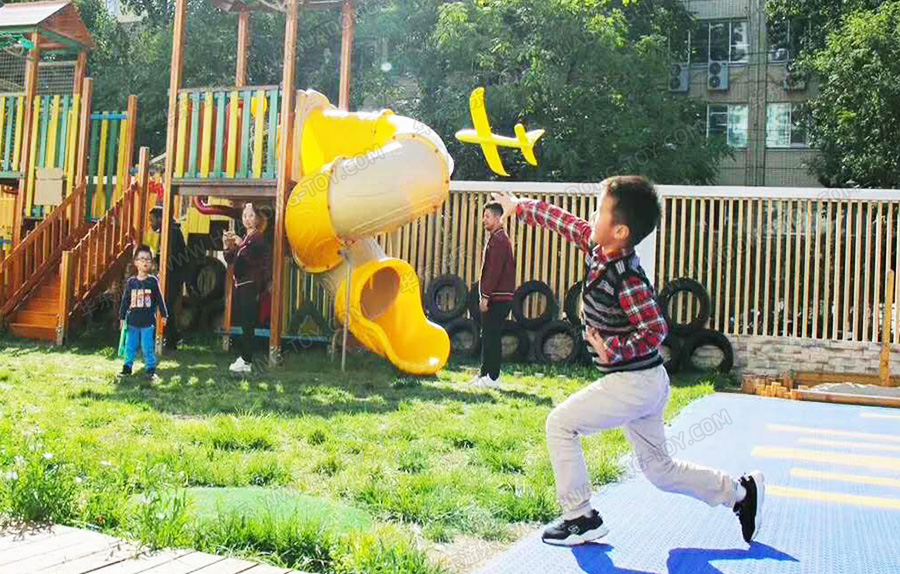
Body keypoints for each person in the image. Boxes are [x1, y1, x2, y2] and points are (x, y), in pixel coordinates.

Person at [491, 176, 764, 547]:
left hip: (632, 382)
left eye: (600, 211)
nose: (592, 216)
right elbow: (567, 223)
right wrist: (520, 207)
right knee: (660, 471)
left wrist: (615, 349)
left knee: (560, 425)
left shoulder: (627, 277)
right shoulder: (600, 247)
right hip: (646, 381)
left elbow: (656, 329)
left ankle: (580, 517)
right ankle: (741, 494)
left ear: (620, 231)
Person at [469, 202, 516, 389]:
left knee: (492, 337)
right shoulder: (496, 238)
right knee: (488, 335)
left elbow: (493, 271)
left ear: (498, 218)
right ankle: (484, 374)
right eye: (484, 216)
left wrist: (485, 296)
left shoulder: (499, 240)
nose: (484, 220)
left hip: (498, 298)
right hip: (496, 297)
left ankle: (493, 377)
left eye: (487, 216)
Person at [223, 203, 270, 374]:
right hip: (241, 284)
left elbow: (248, 258)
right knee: (244, 322)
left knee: (248, 323)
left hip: (250, 285)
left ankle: (246, 359)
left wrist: (240, 244)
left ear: (257, 218)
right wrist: (227, 246)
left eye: (250, 215)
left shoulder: (257, 238)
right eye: (244, 216)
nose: (247, 219)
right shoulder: (247, 238)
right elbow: (231, 260)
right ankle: (244, 358)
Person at [119, 245, 168, 383]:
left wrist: (164, 314)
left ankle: (150, 369)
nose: (145, 262)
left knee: (147, 347)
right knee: (130, 346)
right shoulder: (131, 282)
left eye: (148, 259)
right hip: (132, 322)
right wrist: (122, 317)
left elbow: (159, 299)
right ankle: (127, 367)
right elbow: (125, 301)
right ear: (136, 262)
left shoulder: (153, 281)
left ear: (151, 263)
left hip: (148, 323)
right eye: (142, 259)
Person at [148, 206, 187, 351]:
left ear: (160, 218)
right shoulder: (168, 231)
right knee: (165, 306)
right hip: (170, 275)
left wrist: (159, 264)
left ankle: (172, 337)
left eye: (152, 220)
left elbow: (173, 257)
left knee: (166, 306)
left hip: (173, 276)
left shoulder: (172, 232)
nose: (150, 223)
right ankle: (171, 337)